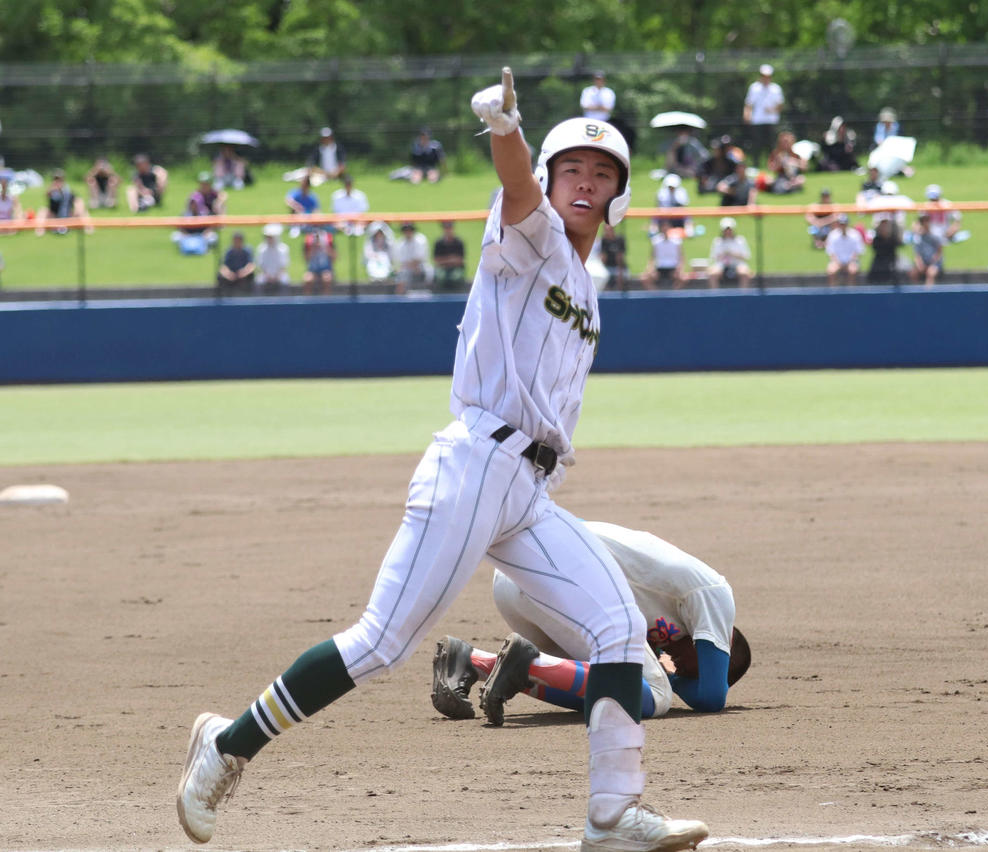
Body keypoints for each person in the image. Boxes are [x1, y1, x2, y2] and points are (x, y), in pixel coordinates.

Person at [174, 69, 708, 851]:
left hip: (526, 489)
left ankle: (613, 816)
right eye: (573, 171)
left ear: (618, 194)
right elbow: (520, 186)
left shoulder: (587, 291)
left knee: (621, 630)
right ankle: (226, 747)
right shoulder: (533, 236)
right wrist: (506, 132)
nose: (584, 183)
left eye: (600, 174)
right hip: (474, 464)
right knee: (382, 642)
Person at [430, 520, 747, 723]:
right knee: (656, 695)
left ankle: (470, 660)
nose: (675, 663)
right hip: (556, 577)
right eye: (692, 667)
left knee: (598, 688)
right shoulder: (716, 595)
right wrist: (674, 681)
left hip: (519, 579)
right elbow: (711, 698)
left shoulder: (666, 622)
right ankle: (527, 665)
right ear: (724, 643)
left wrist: (668, 670)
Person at [742, 63, 783, 162]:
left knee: (772, 144)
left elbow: (780, 105)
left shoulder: (776, 88)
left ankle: (772, 164)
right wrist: (746, 115)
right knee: (756, 144)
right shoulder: (754, 88)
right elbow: (749, 104)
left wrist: (772, 110)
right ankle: (756, 164)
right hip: (757, 120)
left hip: (771, 120)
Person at [34, 169, 89, 236]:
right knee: (42, 210)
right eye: (56, 179)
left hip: (67, 216)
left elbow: (75, 200)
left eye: (60, 179)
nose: (58, 181)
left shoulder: (67, 190)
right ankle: (39, 231)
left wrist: (62, 191)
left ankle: (88, 228)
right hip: (54, 216)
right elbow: (47, 196)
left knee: (81, 205)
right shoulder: (51, 190)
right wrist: (53, 190)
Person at [707, 216, 752, 288]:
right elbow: (714, 257)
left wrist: (732, 254)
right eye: (726, 230)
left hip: (737, 263)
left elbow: (746, 256)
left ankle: (744, 294)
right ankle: (715, 295)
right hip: (721, 264)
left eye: (729, 229)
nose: (728, 231)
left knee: (744, 272)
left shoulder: (740, 240)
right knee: (712, 273)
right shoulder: (717, 241)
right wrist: (723, 254)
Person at [640, 225, 685, 290]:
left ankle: (673, 294)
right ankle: (657, 295)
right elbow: (652, 257)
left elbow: (681, 257)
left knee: (683, 278)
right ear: (660, 229)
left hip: (673, 267)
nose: (665, 230)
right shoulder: (656, 241)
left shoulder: (676, 241)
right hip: (659, 268)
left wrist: (679, 269)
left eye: (666, 228)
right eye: (663, 228)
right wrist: (650, 270)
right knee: (644, 279)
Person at [825, 214, 864, 286]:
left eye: (844, 224)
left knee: (852, 270)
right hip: (837, 262)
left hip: (851, 261)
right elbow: (831, 253)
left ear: (847, 224)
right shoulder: (832, 235)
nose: (843, 226)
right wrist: (838, 263)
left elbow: (857, 252)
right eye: (841, 224)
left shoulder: (855, 234)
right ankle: (833, 291)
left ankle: (851, 292)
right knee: (831, 270)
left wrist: (850, 262)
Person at [905, 212, 942, 287]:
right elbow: (917, 254)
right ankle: (914, 293)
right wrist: (920, 264)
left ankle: (928, 293)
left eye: (926, 221)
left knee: (931, 272)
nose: (925, 224)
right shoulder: (918, 237)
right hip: (923, 263)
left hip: (933, 263)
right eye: (922, 222)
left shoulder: (935, 236)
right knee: (913, 273)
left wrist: (932, 262)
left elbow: (939, 252)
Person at [393, 221, 431, 293]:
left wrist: (411, 265)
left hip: (422, 267)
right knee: (400, 275)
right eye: (405, 230)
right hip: (407, 269)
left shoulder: (421, 240)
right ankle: (400, 300)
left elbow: (418, 260)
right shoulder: (400, 243)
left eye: (409, 229)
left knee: (428, 272)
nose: (408, 232)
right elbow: (401, 262)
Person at [764, 130, 806, 195]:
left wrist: (793, 162)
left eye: (787, 141)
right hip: (781, 177)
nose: (785, 144)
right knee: (768, 180)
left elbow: (804, 167)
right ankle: (789, 187)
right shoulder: (776, 153)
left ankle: (789, 186)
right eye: (783, 142)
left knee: (801, 179)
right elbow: (771, 168)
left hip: (794, 177)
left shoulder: (796, 153)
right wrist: (779, 162)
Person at [255, 223, 291, 291]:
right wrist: (268, 276)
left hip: (280, 275)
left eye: (271, 237)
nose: (269, 239)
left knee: (285, 281)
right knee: (258, 281)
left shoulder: (283, 249)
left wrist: (276, 277)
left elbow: (283, 267)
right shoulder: (261, 249)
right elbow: (261, 266)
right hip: (265, 275)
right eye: (268, 237)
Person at [432, 220, 467, 292]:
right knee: (440, 276)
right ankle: (440, 297)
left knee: (456, 276)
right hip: (443, 268)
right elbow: (436, 261)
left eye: (449, 227)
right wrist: (451, 259)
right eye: (446, 227)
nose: (448, 230)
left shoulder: (459, 242)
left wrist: (445, 260)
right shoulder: (439, 243)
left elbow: (461, 260)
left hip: (456, 268)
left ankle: (458, 296)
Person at [866, 217, 902, 286]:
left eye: (886, 227)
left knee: (896, 269)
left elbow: (899, 244)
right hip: (879, 261)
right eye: (883, 227)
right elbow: (877, 251)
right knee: (876, 269)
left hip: (891, 261)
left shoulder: (893, 239)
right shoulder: (876, 239)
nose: (884, 228)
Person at [301, 226, 335, 294]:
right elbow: (306, 258)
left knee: (327, 278)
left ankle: (326, 301)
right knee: (307, 279)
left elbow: (334, 257)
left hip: (326, 268)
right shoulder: (308, 241)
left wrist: (325, 247)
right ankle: (307, 301)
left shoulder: (328, 240)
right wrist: (313, 248)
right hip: (312, 269)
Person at [599, 222, 628, 290]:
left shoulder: (619, 239)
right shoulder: (604, 241)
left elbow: (620, 257)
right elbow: (603, 257)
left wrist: (620, 271)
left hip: (619, 267)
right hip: (608, 267)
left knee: (621, 276)